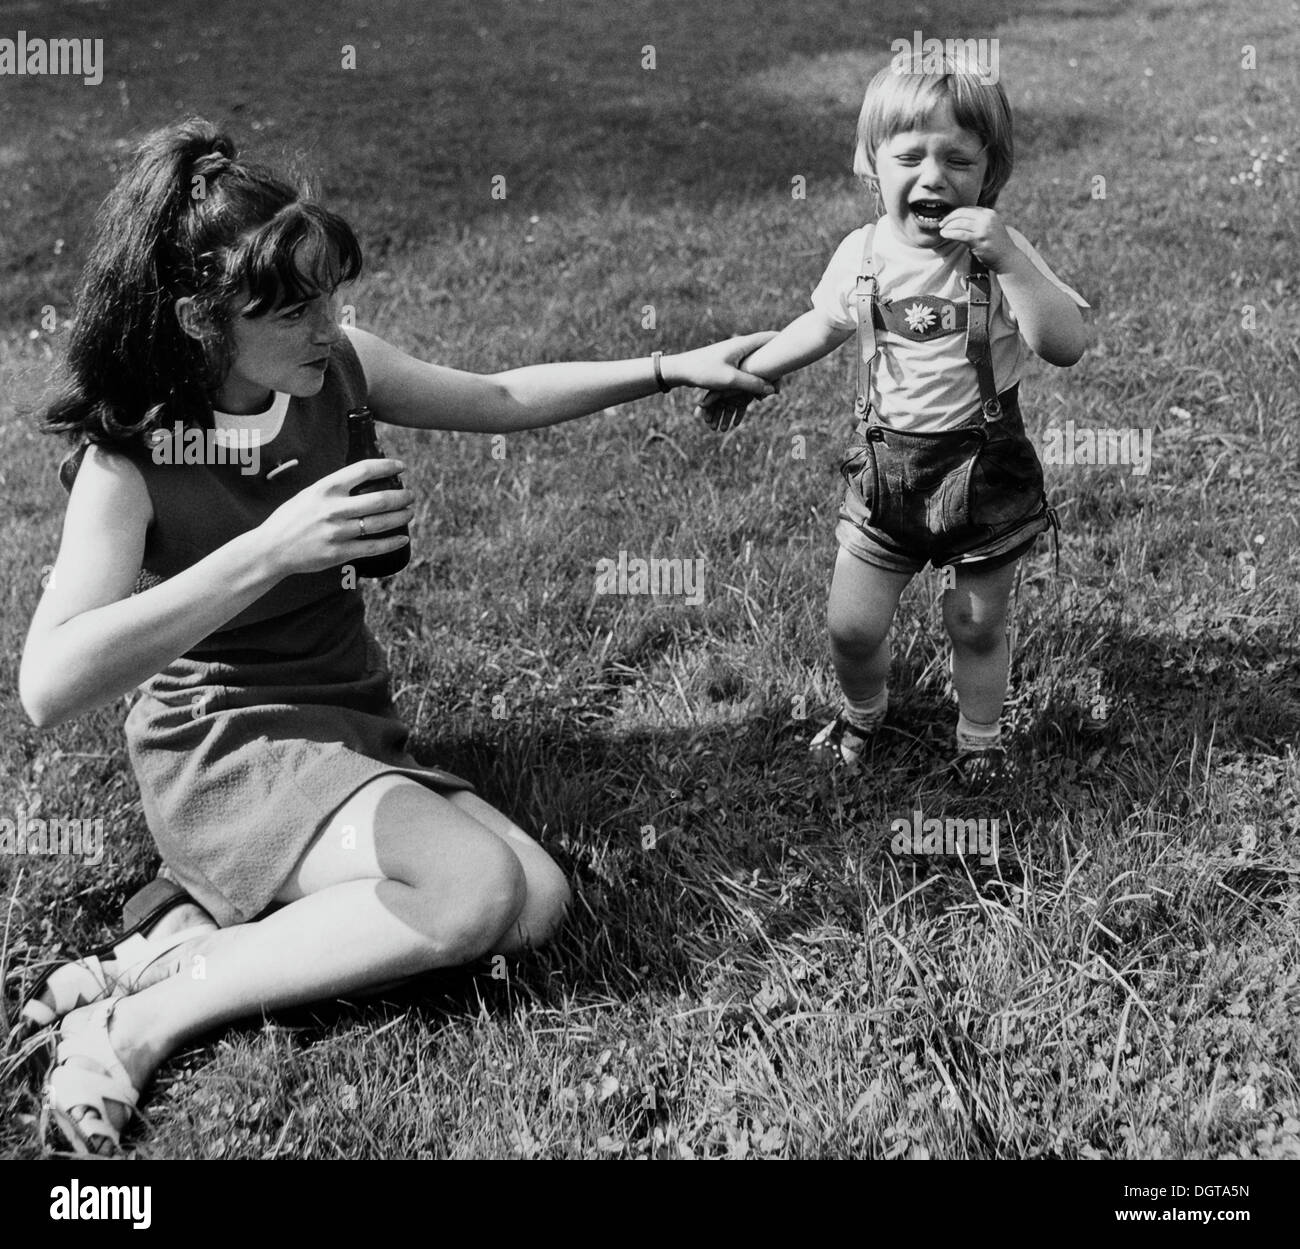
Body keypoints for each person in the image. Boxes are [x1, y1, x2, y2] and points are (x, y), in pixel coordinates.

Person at [17, 116, 775, 1155]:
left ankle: (172, 940)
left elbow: (499, 397)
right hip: (224, 744)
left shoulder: (336, 371)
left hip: (343, 719)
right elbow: (50, 683)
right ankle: (136, 1019)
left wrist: (667, 365)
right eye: (291, 308)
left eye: (330, 292)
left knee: (535, 901)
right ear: (200, 318)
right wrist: (274, 547)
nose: (327, 324)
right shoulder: (131, 463)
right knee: (471, 889)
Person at [697, 60, 1088, 785]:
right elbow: (821, 324)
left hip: (983, 476)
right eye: (908, 157)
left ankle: (979, 737)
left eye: (958, 159)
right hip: (887, 479)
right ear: (871, 167)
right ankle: (863, 709)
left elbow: (1063, 344)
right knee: (851, 623)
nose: (932, 176)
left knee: (976, 624)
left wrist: (1011, 263)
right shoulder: (864, 254)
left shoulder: (1001, 254)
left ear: (989, 174)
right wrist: (758, 374)